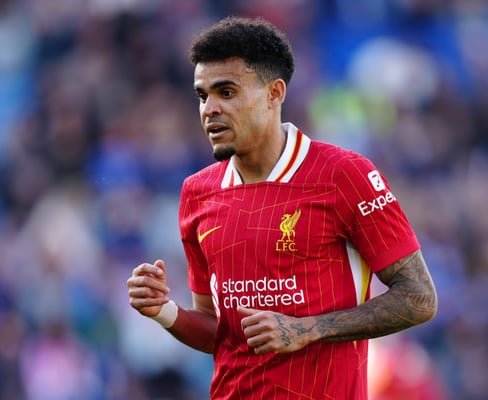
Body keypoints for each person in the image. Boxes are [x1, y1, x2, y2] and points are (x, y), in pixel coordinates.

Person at [127, 16, 438, 400]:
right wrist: (164, 311)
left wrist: (308, 329)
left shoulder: (344, 175)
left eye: (227, 92)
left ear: (274, 93)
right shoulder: (197, 192)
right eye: (202, 95)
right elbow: (220, 333)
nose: (210, 109)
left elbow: (418, 298)